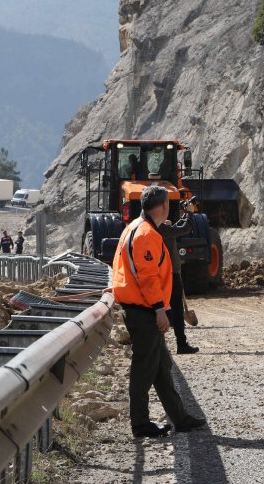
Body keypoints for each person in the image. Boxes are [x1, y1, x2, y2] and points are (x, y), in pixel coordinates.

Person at [112, 185, 206, 438]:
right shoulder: (146, 235)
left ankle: (180, 418)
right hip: (143, 311)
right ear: (164, 206)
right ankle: (140, 424)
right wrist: (159, 310)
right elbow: (148, 277)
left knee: (161, 366)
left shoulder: (134, 227)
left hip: (140, 308)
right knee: (144, 368)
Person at [158, 212, 199, 354]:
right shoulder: (161, 229)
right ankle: (180, 344)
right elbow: (185, 229)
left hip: (167, 273)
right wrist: (190, 214)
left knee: (167, 308)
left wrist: (183, 217)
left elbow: (175, 229)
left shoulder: (157, 228)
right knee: (175, 309)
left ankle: (165, 345)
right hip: (169, 274)